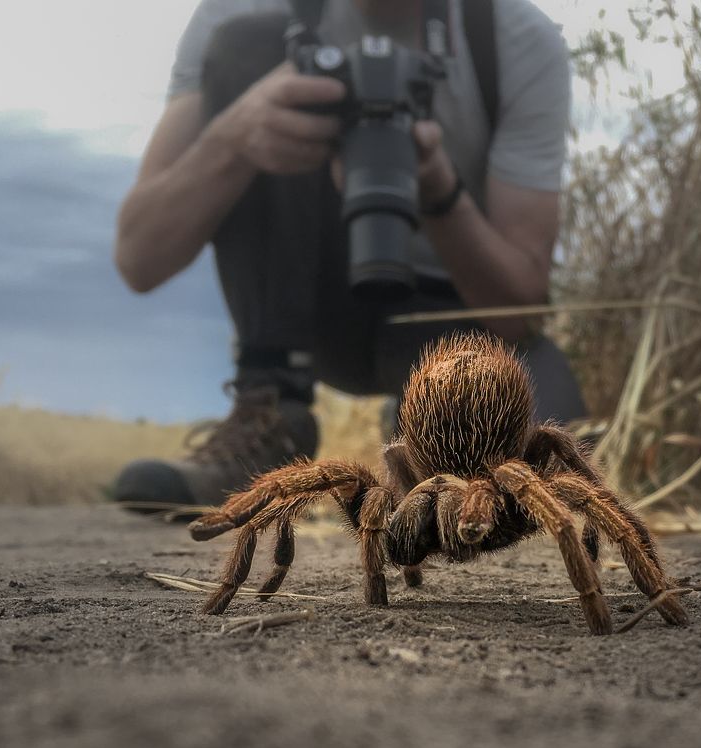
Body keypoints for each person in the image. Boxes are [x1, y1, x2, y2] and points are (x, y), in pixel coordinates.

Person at [111, 0, 587, 511]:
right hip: (307, 301)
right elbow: (139, 258)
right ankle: (271, 413)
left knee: (553, 473)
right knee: (248, 43)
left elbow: (521, 310)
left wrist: (438, 191)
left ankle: (425, 430)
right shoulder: (235, 13)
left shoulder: (516, 40)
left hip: (451, 324)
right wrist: (233, 139)